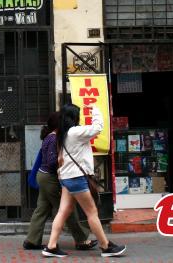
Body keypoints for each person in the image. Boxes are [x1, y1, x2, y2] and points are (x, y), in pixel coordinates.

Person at [43, 104, 126, 258]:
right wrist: (95, 109)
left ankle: (51, 246)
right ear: (74, 117)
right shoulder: (74, 132)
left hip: (66, 178)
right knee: (92, 212)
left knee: (63, 211)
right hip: (76, 178)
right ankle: (105, 246)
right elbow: (97, 128)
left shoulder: (63, 134)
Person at [23, 112, 97, 251]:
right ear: (59, 124)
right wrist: (62, 162)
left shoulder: (48, 137)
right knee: (67, 209)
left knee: (42, 209)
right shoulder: (53, 138)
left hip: (43, 176)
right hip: (50, 179)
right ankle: (81, 240)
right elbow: (52, 162)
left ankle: (32, 240)